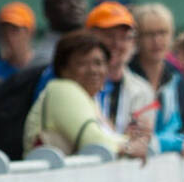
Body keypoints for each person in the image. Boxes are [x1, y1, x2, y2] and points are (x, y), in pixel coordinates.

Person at [23, 30, 149, 160]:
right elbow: (93, 140)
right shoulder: (63, 90)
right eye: (82, 63)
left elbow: (107, 138)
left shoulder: (90, 99)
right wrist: (130, 146)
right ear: (63, 69)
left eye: (99, 63)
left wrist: (131, 140)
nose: (93, 70)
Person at [86, 1, 158, 151]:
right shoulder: (75, 84)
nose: (117, 44)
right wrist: (124, 140)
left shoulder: (143, 89)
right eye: (109, 36)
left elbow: (145, 140)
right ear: (89, 37)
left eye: (125, 37)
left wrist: (143, 136)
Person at [31, 0, 87, 69]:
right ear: (47, 12)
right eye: (65, 1)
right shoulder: (44, 58)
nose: (74, 5)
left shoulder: (94, 47)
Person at [129, 3, 178, 93]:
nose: (157, 41)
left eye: (162, 33)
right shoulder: (126, 73)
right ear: (137, 37)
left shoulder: (176, 77)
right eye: (149, 34)